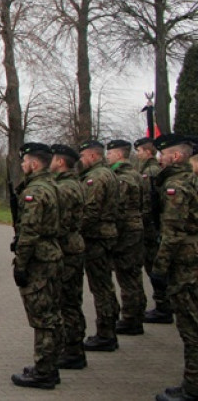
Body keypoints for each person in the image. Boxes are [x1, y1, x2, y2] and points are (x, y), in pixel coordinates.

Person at [11, 143, 64, 390]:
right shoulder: (54, 185)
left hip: (39, 260)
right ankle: (49, 365)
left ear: (34, 164)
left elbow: (29, 232)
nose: (22, 165)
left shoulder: (35, 191)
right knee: (52, 313)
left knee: (42, 317)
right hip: (52, 255)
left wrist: (20, 264)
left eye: (25, 161)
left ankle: (44, 372)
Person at [151, 134, 198, 401]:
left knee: (191, 327)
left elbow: (172, 232)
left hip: (185, 263)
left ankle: (192, 387)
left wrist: (159, 268)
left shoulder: (176, 186)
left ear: (176, 156)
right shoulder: (192, 179)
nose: (160, 159)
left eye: (164, 154)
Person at [78, 139, 122, 353]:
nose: (81, 160)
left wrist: (76, 231)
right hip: (107, 234)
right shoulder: (109, 173)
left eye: (83, 156)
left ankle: (105, 333)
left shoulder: (96, 177)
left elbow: (91, 211)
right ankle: (109, 327)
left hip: (97, 237)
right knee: (106, 285)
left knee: (101, 287)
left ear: (93, 156)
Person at [50, 143, 88, 371]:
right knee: (72, 300)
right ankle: (74, 348)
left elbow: (60, 222)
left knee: (66, 301)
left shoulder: (64, 188)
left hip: (66, 248)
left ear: (60, 161)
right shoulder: (76, 183)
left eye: (53, 158)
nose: (50, 162)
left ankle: (72, 350)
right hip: (74, 245)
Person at [106, 138, 146, 335]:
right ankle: (137, 314)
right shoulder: (136, 174)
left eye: (110, 153)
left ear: (119, 154)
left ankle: (131, 318)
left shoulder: (123, 178)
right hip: (136, 227)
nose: (108, 157)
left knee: (126, 274)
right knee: (134, 274)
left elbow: (118, 207)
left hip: (126, 231)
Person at [138, 136, 173, 324]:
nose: (138, 154)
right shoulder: (151, 170)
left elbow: (149, 202)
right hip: (153, 225)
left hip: (151, 226)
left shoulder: (150, 171)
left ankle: (163, 305)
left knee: (155, 266)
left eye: (139, 151)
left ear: (147, 152)